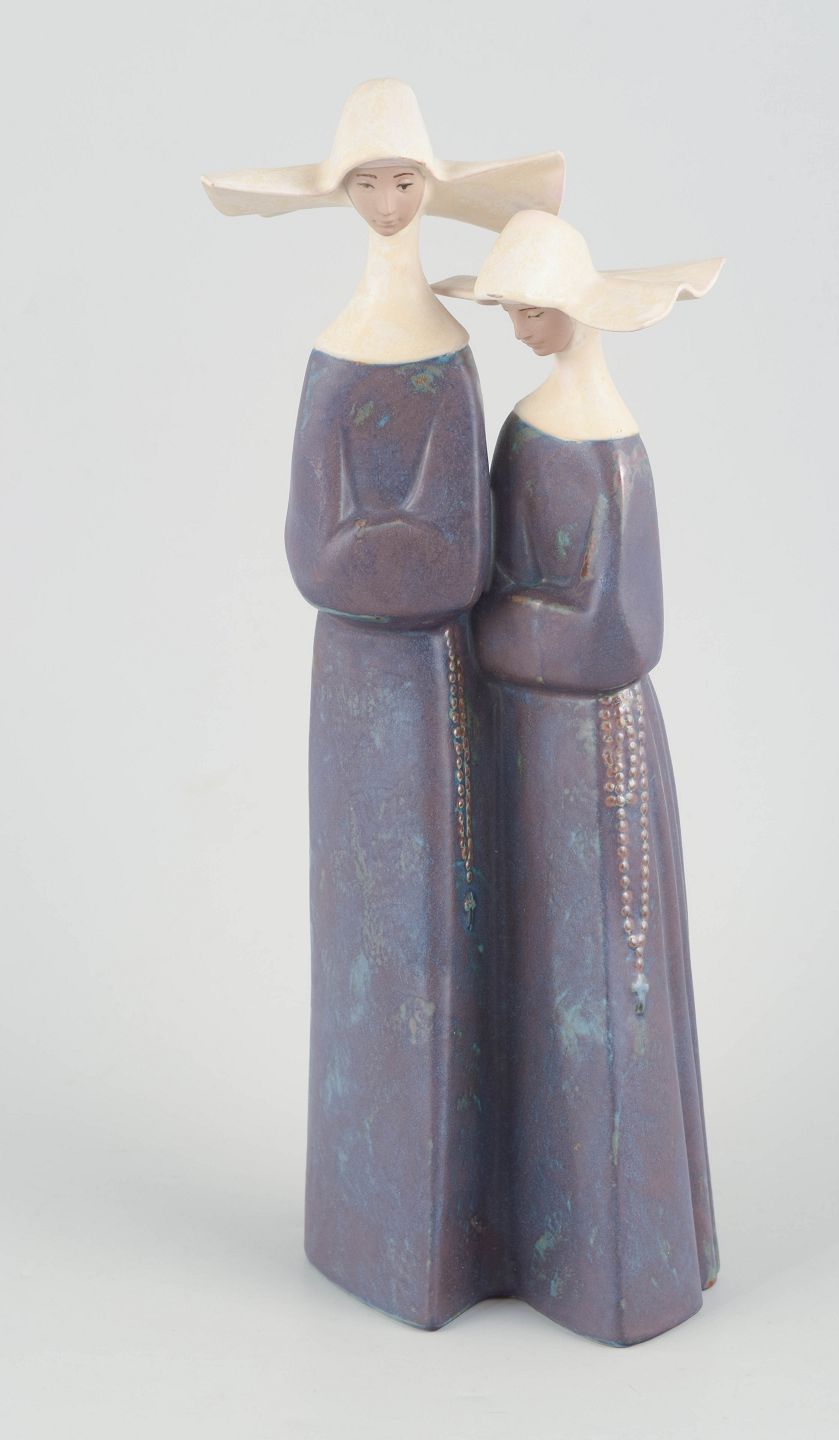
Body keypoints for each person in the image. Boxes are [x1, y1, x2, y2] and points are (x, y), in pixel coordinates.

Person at [203, 81, 564, 1328]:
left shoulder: (451, 363)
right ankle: (369, 1230)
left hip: (433, 676)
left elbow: (460, 556)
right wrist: (385, 550)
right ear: (344, 194)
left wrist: (384, 547)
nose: (392, 200)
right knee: (367, 946)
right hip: (353, 684)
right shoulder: (333, 360)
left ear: (429, 187)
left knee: (443, 936)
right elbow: (312, 552)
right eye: (369, 181)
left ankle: (449, 1242)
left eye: (408, 180)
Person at [433, 210, 723, 1344]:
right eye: (508, 310)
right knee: (530, 971)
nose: (517, 326)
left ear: (577, 310)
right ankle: (529, 1229)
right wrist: (505, 618)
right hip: (521, 742)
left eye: (531, 309)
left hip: (593, 754)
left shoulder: (613, 454)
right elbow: (494, 578)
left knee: (601, 978)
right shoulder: (521, 431)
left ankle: (613, 1261)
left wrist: (501, 624)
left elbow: (620, 633)